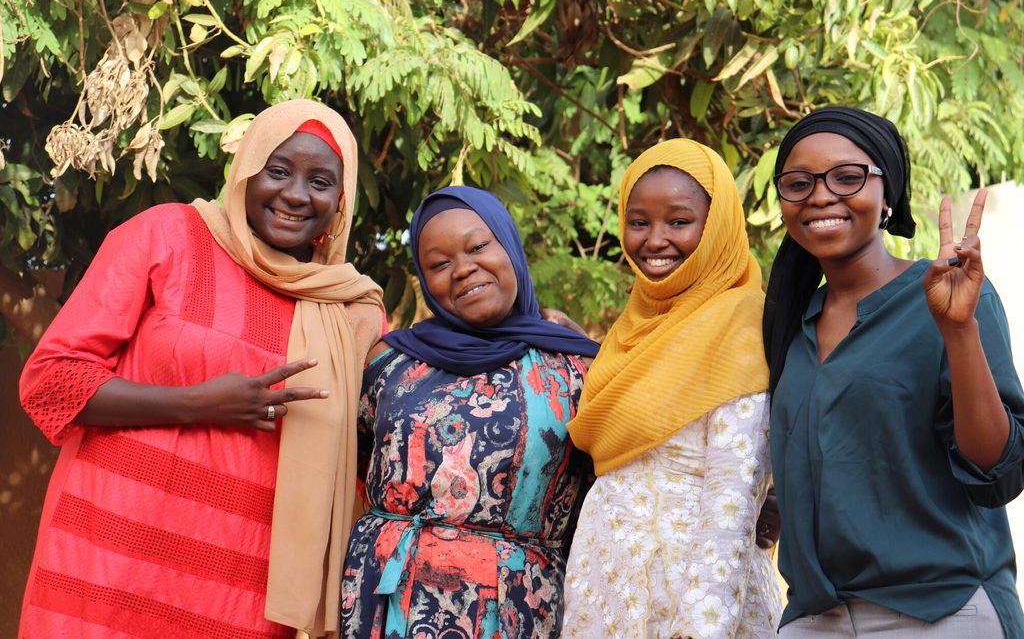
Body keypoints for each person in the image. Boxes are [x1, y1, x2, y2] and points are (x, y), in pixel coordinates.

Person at [18, 99, 384, 638]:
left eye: (320, 181)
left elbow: (386, 445)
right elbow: (52, 380)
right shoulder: (169, 234)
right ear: (245, 172)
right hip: (103, 563)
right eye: (277, 170)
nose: (295, 195)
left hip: (241, 594)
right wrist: (198, 403)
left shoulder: (350, 312)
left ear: (340, 201)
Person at [763, 106, 1024, 636]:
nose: (820, 195)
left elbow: (1000, 470)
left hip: (940, 608)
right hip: (816, 617)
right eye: (799, 182)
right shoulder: (789, 324)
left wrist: (958, 332)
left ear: (888, 195)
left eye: (846, 177)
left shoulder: (947, 299)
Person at [339, 186, 601, 638]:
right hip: (383, 599)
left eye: (479, 246)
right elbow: (351, 467)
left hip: (510, 608)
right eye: (439, 264)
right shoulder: (389, 361)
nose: (463, 269)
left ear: (509, 246)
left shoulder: (578, 370)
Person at [563, 139, 781, 638]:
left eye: (679, 222)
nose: (654, 240)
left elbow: (732, 497)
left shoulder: (739, 321)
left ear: (717, 225)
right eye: (638, 222)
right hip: (606, 596)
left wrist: (701, 628)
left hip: (688, 599)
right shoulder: (633, 327)